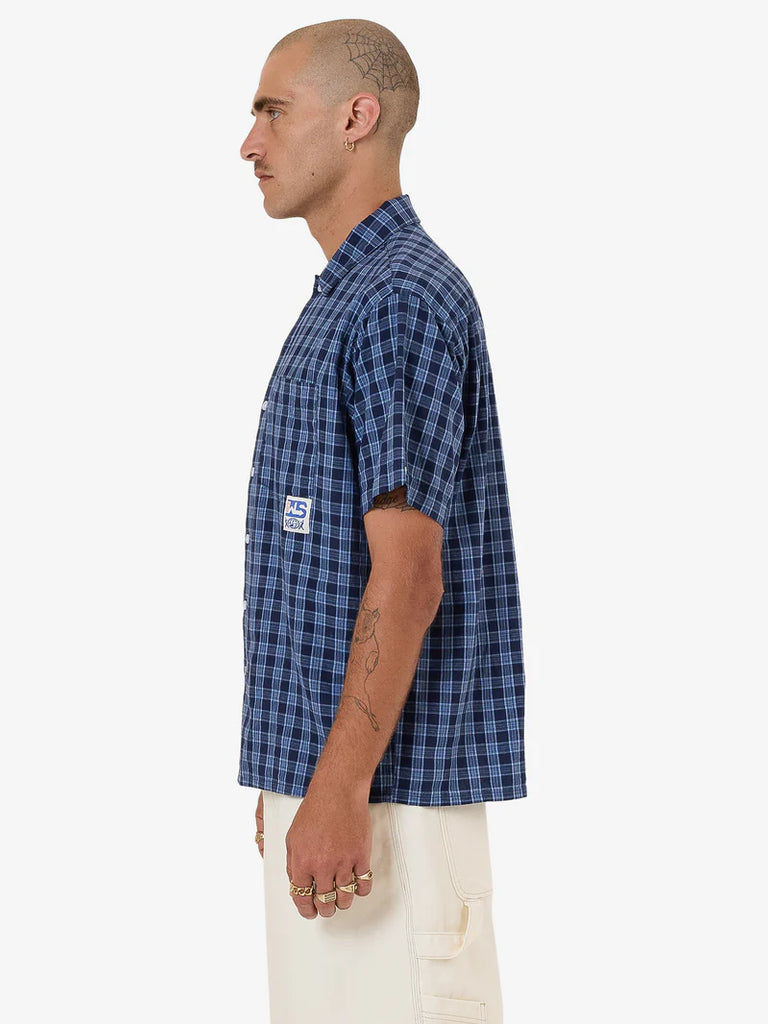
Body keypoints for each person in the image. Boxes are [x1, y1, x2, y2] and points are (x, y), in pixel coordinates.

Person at [237, 18, 527, 1024]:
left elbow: (408, 574)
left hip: (388, 810)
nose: (249, 142)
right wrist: (294, 776)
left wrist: (335, 786)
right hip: (347, 797)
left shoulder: (399, 298)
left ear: (357, 117)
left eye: (273, 111)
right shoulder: (350, 297)